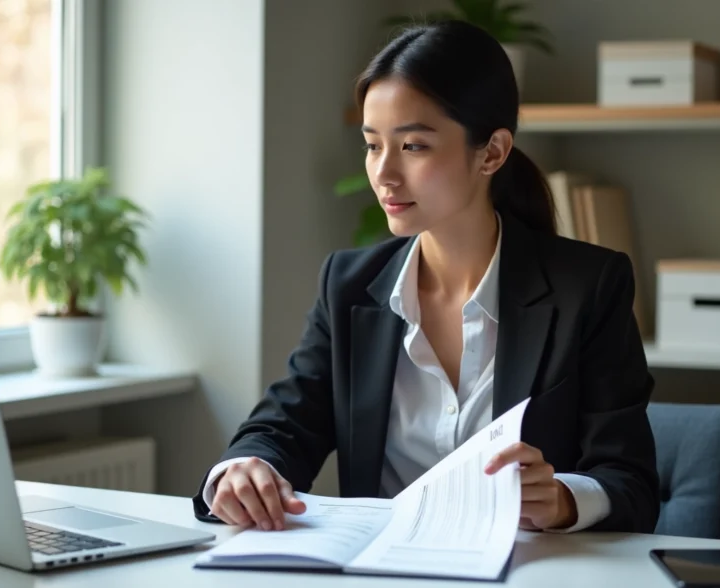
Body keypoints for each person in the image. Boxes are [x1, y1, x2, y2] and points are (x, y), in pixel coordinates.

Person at [192, 20, 659, 534]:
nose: (385, 174)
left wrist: (565, 498)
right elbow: (284, 424)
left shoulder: (587, 287)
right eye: (373, 145)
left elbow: (629, 481)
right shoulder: (348, 285)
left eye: (413, 146)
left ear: (493, 152)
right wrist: (244, 470)